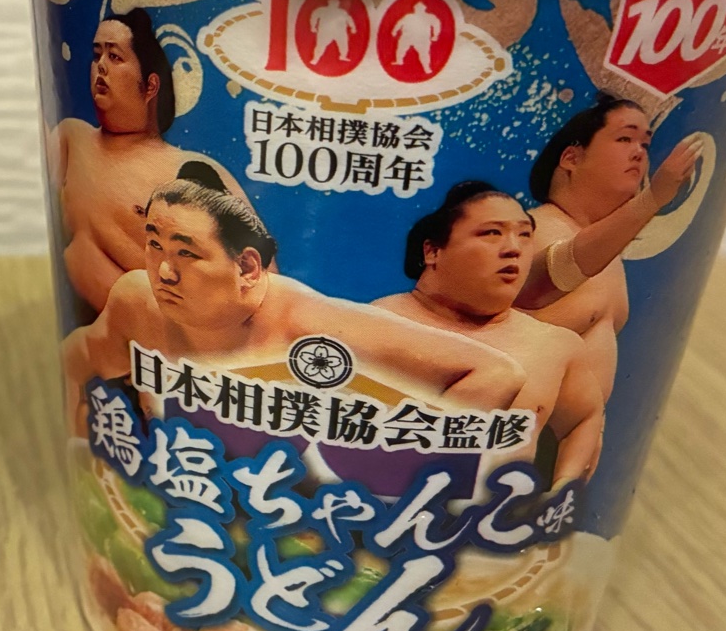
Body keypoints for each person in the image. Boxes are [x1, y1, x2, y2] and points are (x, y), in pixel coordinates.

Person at [62, 165, 525, 431]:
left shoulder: (307, 325)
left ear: (247, 268)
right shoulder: (138, 300)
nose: (163, 270)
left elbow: (494, 374)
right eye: (154, 244)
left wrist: (391, 455)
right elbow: (79, 357)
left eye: (186, 253)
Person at [374, 181, 605, 488]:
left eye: (525, 235)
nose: (513, 248)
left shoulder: (555, 346)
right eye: (492, 233)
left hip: (493, 514)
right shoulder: (374, 326)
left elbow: (584, 419)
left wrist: (563, 488)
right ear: (432, 251)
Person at [52, 8, 252, 319]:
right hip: (89, 336)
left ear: (150, 86)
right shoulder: (70, 138)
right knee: (77, 256)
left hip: (173, 338)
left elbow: (260, 281)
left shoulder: (191, 170)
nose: (101, 66)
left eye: (114, 56)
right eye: (96, 54)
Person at [514, 93, 704, 397]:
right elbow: (542, 282)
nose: (639, 153)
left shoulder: (609, 256)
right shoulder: (531, 227)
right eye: (625, 139)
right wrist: (652, 199)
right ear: (572, 158)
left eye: (645, 145)